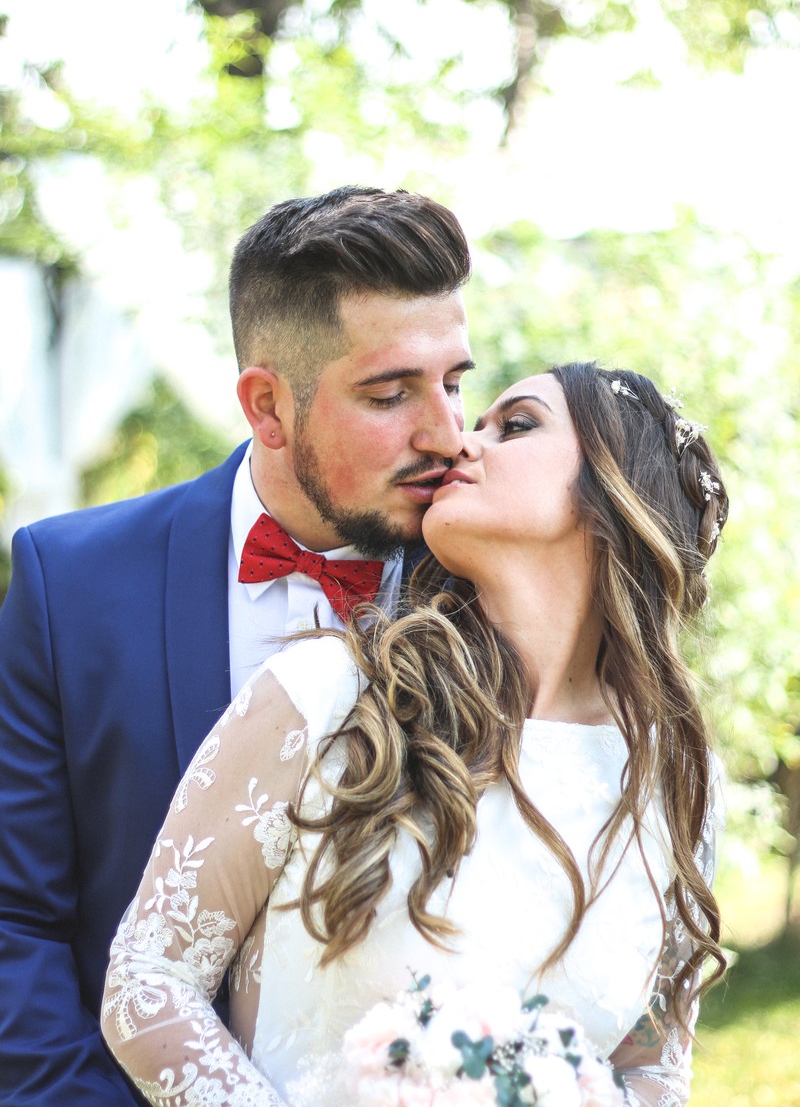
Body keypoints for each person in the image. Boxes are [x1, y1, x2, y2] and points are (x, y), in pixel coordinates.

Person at [100, 361, 729, 1107]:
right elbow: (150, 979)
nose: (462, 442)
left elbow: (651, 1065)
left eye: (516, 426)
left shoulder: (674, 778)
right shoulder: (330, 694)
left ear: (616, 492)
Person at [0, 185, 474, 1107]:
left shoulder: (488, 590)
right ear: (267, 406)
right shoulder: (70, 587)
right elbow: (14, 919)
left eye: (453, 382)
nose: (445, 434)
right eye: (390, 394)